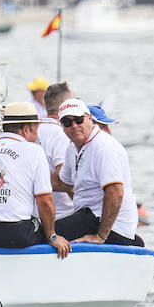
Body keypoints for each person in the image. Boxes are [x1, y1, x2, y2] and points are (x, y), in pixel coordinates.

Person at [0, 103, 70, 257]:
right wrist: (52, 236)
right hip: (13, 233)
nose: (36, 136)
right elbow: (45, 201)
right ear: (27, 129)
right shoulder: (35, 151)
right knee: (47, 227)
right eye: (36, 130)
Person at [53, 98, 143, 246]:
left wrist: (100, 237)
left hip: (109, 225)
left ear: (89, 119)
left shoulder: (103, 147)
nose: (74, 126)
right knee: (46, 228)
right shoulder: (73, 147)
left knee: (45, 233)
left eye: (78, 119)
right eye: (68, 122)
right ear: (62, 126)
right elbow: (62, 182)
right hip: (89, 216)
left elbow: (115, 193)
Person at [37, 82, 77, 221]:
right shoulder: (61, 134)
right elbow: (65, 179)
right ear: (66, 106)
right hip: (62, 215)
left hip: (37, 213)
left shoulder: (33, 130)